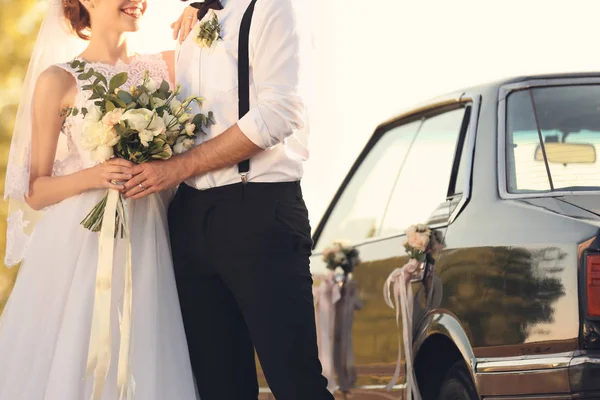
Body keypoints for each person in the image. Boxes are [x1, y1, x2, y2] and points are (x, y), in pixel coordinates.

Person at [123, 0, 334, 398]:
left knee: (296, 382)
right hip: (188, 219)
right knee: (218, 388)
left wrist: (179, 168)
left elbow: (279, 113)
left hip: (258, 213)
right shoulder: (192, 21)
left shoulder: (271, 8)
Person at [0, 0, 197, 398]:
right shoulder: (58, 80)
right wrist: (93, 175)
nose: (139, 2)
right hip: (78, 250)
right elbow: (36, 191)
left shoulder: (171, 67)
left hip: (152, 240)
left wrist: (200, 10)